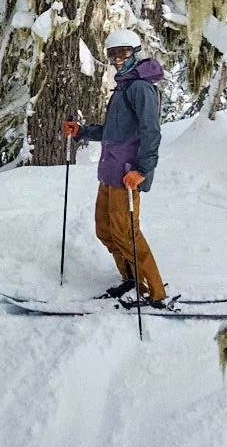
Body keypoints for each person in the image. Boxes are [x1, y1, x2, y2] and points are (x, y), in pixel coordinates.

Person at [63, 29, 167, 306]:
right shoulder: (123, 88)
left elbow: (151, 132)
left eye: (122, 53)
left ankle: (154, 292)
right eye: (112, 54)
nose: (117, 60)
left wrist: (142, 170)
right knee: (105, 230)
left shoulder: (141, 88)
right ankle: (131, 279)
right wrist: (82, 131)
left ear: (135, 52)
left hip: (127, 174)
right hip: (111, 172)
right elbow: (113, 131)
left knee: (126, 233)